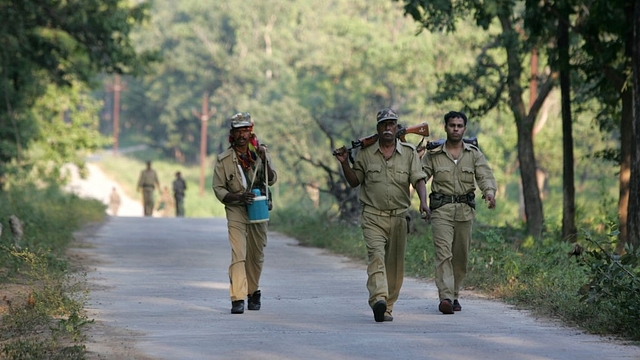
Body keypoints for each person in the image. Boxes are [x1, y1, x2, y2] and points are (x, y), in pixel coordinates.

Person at [333, 108, 429, 322]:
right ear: (377, 128)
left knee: (394, 266)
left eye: (391, 124)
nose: (388, 127)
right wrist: (344, 163)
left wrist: (423, 201)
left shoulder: (409, 152)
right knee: (376, 258)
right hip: (373, 216)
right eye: (384, 124)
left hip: (399, 217)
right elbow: (354, 181)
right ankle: (378, 299)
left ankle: (387, 307)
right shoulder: (366, 154)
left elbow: (418, 178)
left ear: (397, 128)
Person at [422, 111, 497, 314]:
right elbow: (420, 176)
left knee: (461, 256)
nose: (455, 128)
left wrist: (489, 193)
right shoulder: (434, 154)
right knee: (443, 254)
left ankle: (454, 294)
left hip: (465, 210)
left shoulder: (473, 154)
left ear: (464, 129)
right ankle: (445, 297)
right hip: (441, 211)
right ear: (445, 127)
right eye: (452, 125)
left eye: (459, 125)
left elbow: (485, 175)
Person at [212, 112, 277, 314]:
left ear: (251, 132)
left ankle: (253, 291)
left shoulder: (259, 153)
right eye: (238, 131)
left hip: (258, 209)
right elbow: (219, 189)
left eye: (245, 130)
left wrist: (265, 159)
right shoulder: (223, 160)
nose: (242, 135)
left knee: (256, 255)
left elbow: (272, 179)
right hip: (236, 209)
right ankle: (238, 297)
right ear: (232, 134)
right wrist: (239, 197)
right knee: (238, 254)